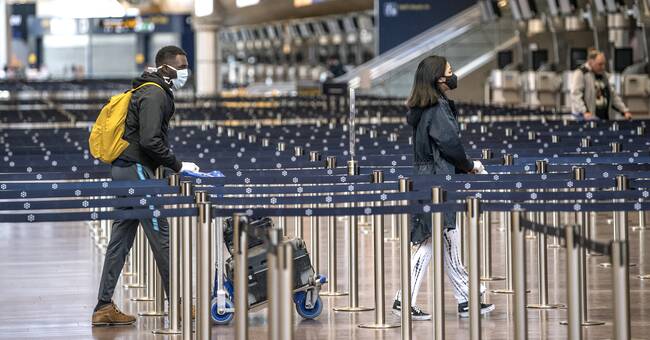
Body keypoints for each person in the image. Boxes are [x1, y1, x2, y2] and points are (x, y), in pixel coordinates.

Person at [92, 46, 200, 326]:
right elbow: (151, 140)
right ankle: (178, 303)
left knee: (120, 240)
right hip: (138, 172)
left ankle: (103, 307)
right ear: (165, 68)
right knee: (160, 235)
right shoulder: (155, 93)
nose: (185, 72)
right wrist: (178, 165)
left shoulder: (146, 89)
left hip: (124, 171)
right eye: (181, 66)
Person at [391, 55, 495, 320]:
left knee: (448, 237)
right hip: (438, 179)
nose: (453, 75)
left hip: (430, 175)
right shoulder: (437, 107)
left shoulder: (425, 107)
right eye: (450, 71)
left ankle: (466, 298)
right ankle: (404, 299)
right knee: (430, 240)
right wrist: (469, 165)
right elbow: (449, 143)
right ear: (438, 78)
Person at [570, 49, 632, 120]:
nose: (603, 67)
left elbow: (613, 96)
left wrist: (624, 111)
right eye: (600, 64)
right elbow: (576, 95)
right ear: (590, 62)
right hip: (584, 118)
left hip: (603, 118)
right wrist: (585, 112)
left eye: (604, 64)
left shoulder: (604, 76)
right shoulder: (581, 74)